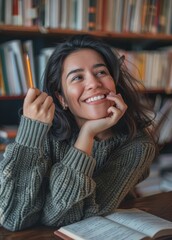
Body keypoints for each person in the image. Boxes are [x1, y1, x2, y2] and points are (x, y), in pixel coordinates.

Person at [0, 34, 157, 231]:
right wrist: (30, 137)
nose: (94, 83)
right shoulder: (44, 136)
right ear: (62, 99)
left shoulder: (137, 145)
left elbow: (61, 218)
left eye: (101, 72)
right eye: (77, 77)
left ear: (114, 83)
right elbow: (14, 216)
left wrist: (87, 135)